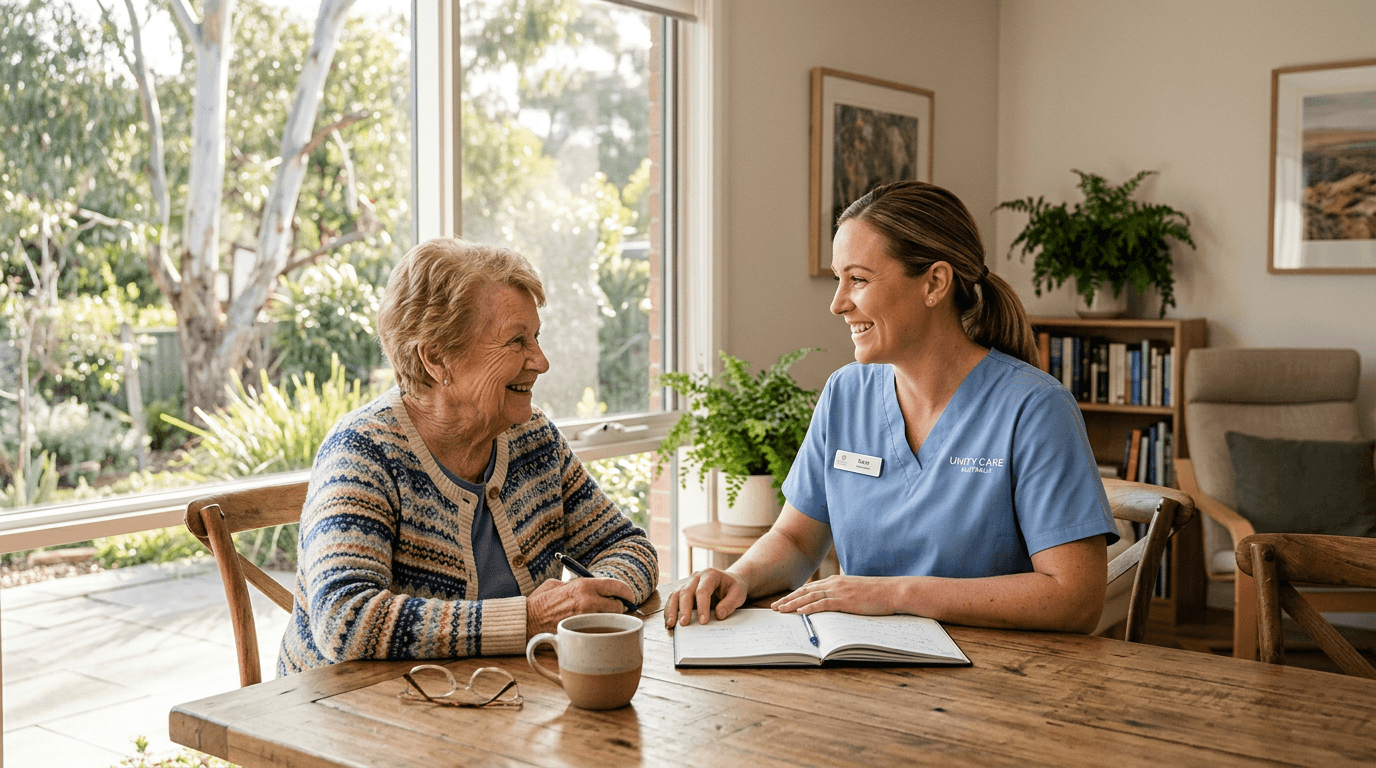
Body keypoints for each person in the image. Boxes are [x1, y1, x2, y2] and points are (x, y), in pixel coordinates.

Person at [665, 181, 1116, 634]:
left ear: (934, 283)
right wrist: (738, 576)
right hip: (867, 666)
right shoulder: (846, 393)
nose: (838, 303)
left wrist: (896, 594)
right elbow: (796, 540)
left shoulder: (1035, 408)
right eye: (839, 278)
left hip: (999, 678)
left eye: (858, 279)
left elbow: (1074, 598)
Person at [279, 237, 658, 674]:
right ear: (437, 359)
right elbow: (344, 620)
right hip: (348, 717)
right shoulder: (363, 451)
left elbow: (629, 546)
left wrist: (593, 603)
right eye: (517, 341)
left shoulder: (533, 438)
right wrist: (528, 619)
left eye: (536, 337)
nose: (541, 360)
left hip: (492, 700)